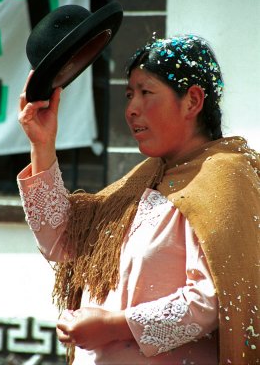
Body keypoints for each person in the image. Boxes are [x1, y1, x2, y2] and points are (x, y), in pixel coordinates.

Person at [17, 34, 260, 365]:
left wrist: (115, 327)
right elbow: (60, 241)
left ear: (192, 100)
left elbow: (213, 299)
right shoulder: (139, 182)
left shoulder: (225, 178)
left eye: (146, 92)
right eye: (129, 94)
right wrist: (42, 145)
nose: (132, 109)